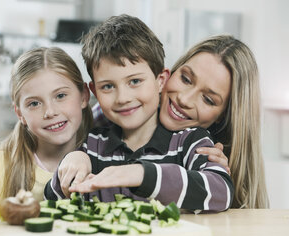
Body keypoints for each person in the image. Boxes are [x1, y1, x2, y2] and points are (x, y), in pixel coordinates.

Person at [44, 14, 234, 212]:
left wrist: (143, 174)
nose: (122, 98)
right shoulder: (92, 145)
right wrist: (71, 161)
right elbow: (51, 199)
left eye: (135, 81)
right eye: (108, 86)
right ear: (94, 91)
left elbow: (222, 191)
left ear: (161, 80)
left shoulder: (190, 141)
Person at [75, 34, 269, 209]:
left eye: (208, 100)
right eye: (185, 79)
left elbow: (219, 190)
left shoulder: (200, 146)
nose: (184, 99)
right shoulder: (120, 110)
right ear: (166, 75)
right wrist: (74, 157)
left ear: (223, 118)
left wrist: (142, 174)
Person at [0, 47, 93, 224]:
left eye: (61, 95)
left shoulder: (106, 159)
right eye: (34, 103)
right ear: (20, 114)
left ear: (84, 96)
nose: (50, 112)